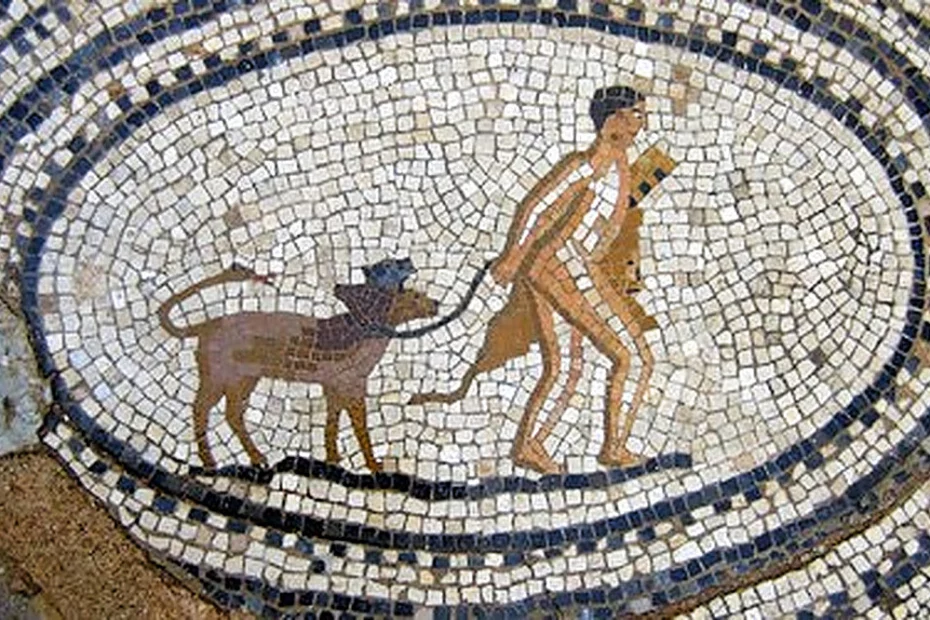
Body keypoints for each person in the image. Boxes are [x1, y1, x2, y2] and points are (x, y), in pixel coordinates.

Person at [490, 86, 655, 474]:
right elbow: (538, 208)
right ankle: (614, 448)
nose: (642, 123)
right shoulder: (589, 164)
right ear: (612, 120)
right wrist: (512, 257)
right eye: (635, 114)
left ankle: (531, 446)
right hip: (565, 264)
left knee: (566, 365)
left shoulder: (618, 163)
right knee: (634, 358)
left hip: (562, 265)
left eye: (642, 115)